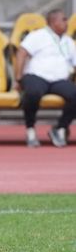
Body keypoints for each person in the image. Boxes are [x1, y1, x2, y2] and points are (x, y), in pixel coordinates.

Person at [14, 8, 76, 148]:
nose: (67, 23)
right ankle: (30, 129)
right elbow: (21, 53)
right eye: (64, 20)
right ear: (53, 22)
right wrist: (18, 78)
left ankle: (60, 128)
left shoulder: (68, 41)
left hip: (59, 80)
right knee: (33, 93)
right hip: (37, 76)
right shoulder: (38, 36)